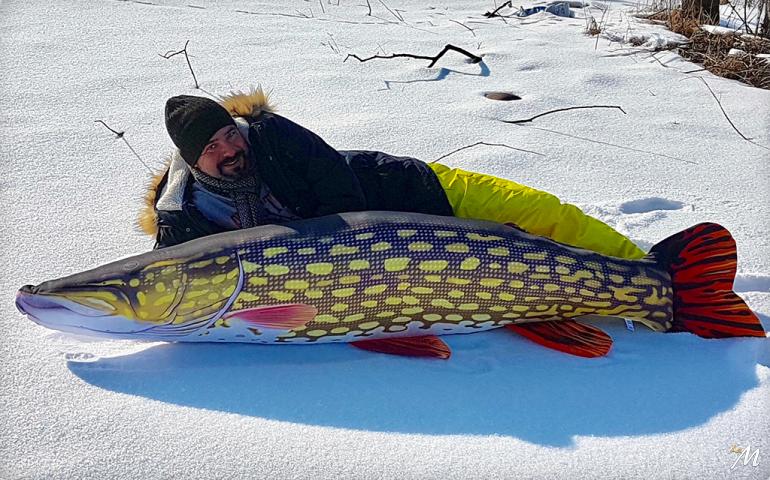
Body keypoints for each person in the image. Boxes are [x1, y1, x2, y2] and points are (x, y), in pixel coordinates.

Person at [139, 89, 644, 261]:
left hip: (410, 191)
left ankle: (652, 270)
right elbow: (172, 269)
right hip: (385, 258)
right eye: (212, 147)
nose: (231, 149)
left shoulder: (270, 134)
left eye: (230, 133)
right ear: (191, 160)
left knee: (538, 214)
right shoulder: (184, 212)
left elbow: (338, 185)